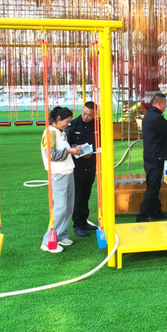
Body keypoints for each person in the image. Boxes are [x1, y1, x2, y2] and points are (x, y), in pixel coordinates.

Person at [138, 93, 167, 222]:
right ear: (159, 103)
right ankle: (142, 215)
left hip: (151, 155)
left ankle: (156, 212)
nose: (166, 106)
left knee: (153, 186)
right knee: (153, 187)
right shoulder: (156, 118)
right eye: (165, 104)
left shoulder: (149, 115)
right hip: (156, 156)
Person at [40, 106, 81, 253]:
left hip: (68, 171)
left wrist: (74, 148)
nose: (68, 124)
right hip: (58, 174)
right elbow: (51, 155)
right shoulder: (50, 132)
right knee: (60, 208)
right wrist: (70, 151)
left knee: (68, 207)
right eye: (67, 121)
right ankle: (48, 242)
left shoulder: (60, 132)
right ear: (58, 119)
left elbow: (62, 149)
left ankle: (61, 235)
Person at [66, 101, 99, 237]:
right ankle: (77, 224)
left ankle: (84, 220)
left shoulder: (98, 125)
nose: (86, 117)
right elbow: (66, 145)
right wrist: (76, 149)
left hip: (91, 164)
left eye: (89, 115)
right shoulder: (73, 125)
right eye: (84, 113)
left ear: (95, 114)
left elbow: (101, 142)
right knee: (78, 195)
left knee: (86, 193)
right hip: (77, 165)